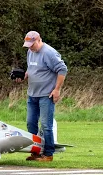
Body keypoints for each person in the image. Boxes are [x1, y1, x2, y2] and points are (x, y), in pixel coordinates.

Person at [17, 31, 68, 162]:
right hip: (32, 94)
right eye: (28, 45)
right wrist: (24, 75)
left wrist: (57, 90)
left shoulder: (49, 52)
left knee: (46, 124)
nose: (30, 47)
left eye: (32, 44)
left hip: (46, 95)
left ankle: (48, 154)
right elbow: (31, 68)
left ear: (39, 40)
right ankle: (35, 151)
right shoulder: (30, 51)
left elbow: (62, 69)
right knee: (30, 123)